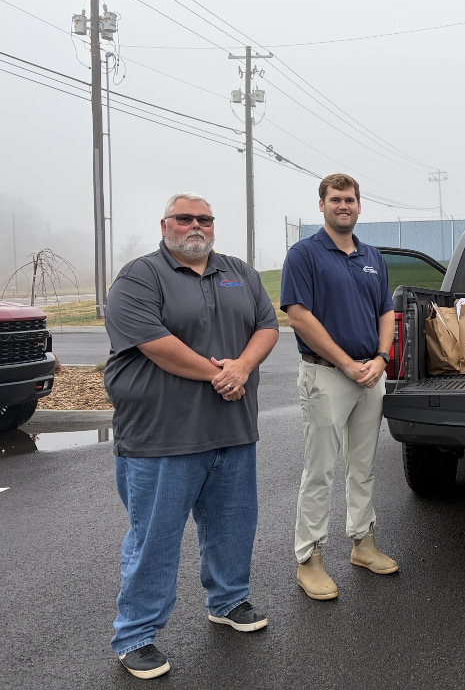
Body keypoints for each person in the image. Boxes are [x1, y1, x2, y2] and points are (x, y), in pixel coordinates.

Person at [104, 192, 279, 679]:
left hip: (233, 429)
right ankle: (135, 634)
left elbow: (267, 325)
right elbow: (156, 344)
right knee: (154, 538)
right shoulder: (140, 276)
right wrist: (219, 374)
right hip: (162, 437)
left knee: (232, 526)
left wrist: (242, 366)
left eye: (204, 218)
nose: (195, 225)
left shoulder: (238, 271)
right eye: (185, 218)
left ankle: (228, 602)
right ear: (165, 225)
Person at [280, 173, 398, 601]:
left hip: (371, 375)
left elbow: (386, 310)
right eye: (335, 199)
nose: (342, 205)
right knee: (320, 470)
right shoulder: (305, 254)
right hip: (327, 376)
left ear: (359, 206)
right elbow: (299, 316)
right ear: (322, 206)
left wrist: (382, 358)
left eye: (349, 199)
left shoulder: (372, 256)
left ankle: (363, 545)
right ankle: (309, 561)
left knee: (363, 466)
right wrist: (346, 363)